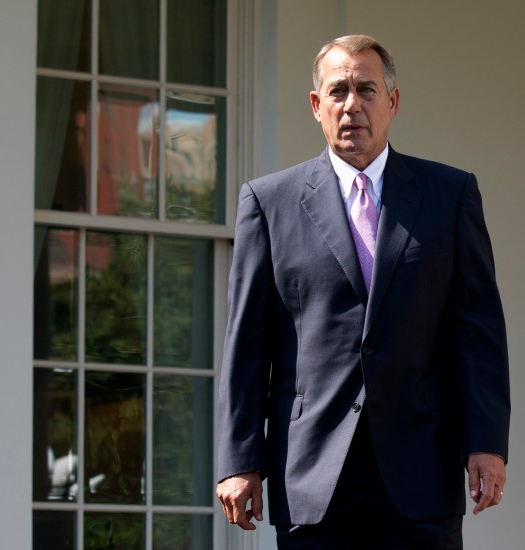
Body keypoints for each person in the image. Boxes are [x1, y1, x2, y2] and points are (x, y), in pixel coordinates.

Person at [216, 34, 510, 549]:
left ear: (392, 102)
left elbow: (477, 332)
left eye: (367, 90)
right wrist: (240, 462)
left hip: (421, 475)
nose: (352, 105)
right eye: (338, 91)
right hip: (312, 478)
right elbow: (247, 345)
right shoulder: (269, 203)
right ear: (317, 106)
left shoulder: (450, 195)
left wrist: (486, 444)